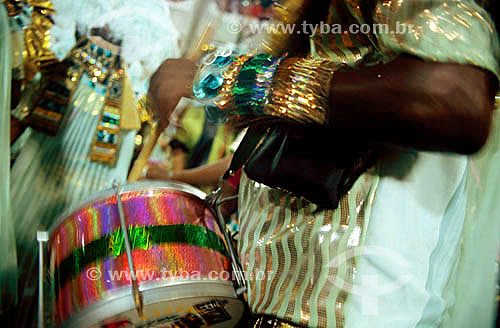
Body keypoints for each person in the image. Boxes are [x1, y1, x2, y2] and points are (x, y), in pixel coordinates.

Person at [149, 0, 500, 327]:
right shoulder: (323, 21)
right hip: (273, 299)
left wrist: (233, 79)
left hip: (355, 307)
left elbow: (451, 96)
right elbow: (326, 107)